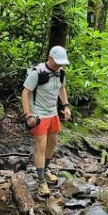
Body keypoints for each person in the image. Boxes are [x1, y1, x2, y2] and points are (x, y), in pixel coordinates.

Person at [21, 45, 72, 197]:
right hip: (38, 115)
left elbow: (61, 89)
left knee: (52, 143)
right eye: (57, 62)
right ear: (49, 58)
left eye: (61, 63)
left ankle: (46, 169)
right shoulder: (38, 73)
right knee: (41, 146)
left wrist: (66, 106)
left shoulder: (61, 73)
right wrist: (27, 114)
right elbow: (25, 93)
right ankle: (41, 180)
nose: (59, 66)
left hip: (53, 113)